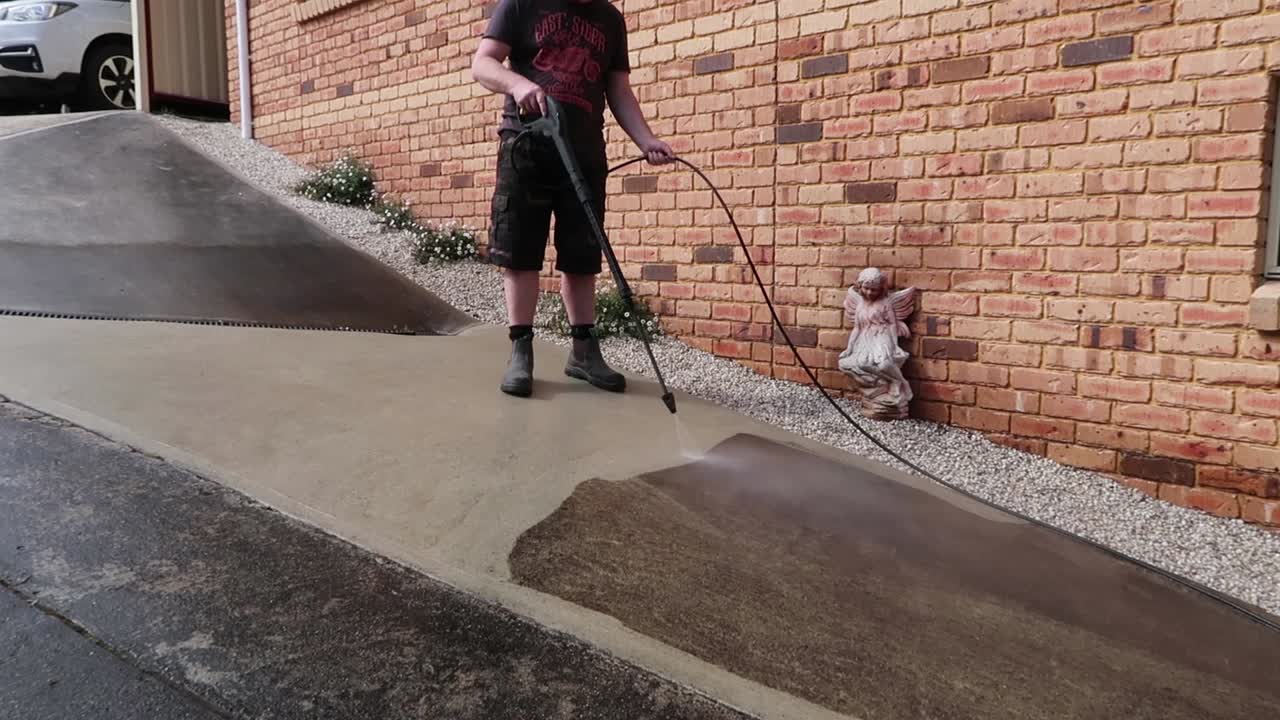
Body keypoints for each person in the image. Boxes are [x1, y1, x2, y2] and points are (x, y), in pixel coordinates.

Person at [471, 0, 674, 399]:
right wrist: (518, 84)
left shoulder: (610, 19)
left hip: (584, 152)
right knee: (520, 249)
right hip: (527, 146)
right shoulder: (519, 5)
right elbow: (483, 63)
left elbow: (619, 90)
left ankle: (583, 351)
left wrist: (646, 139)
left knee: (583, 253)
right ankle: (521, 349)